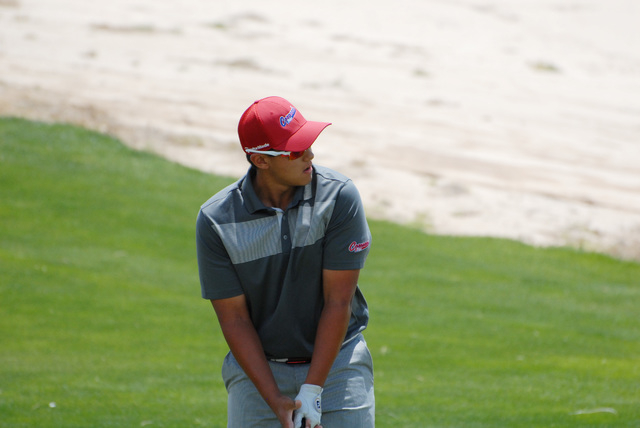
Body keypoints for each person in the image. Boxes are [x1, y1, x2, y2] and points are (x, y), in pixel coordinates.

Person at [196, 96, 374, 428]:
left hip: (338, 363)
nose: (310, 155)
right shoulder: (216, 220)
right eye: (295, 150)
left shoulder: (338, 197)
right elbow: (234, 318)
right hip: (258, 370)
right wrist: (273, 396)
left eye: (308, 142)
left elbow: (339, 301)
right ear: (260, 160)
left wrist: (312, 389)